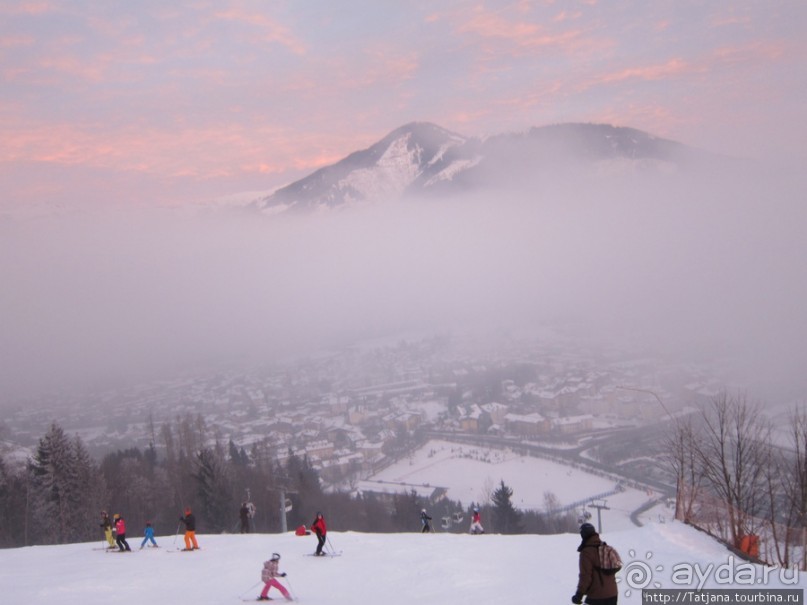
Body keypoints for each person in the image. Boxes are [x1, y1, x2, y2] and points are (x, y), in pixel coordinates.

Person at [572, 523, 618, 605]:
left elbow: (585, 576)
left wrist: (579, 595)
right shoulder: (606, 548)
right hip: (613, 594)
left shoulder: (586, 553)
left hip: (597, 596)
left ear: (583, 535)